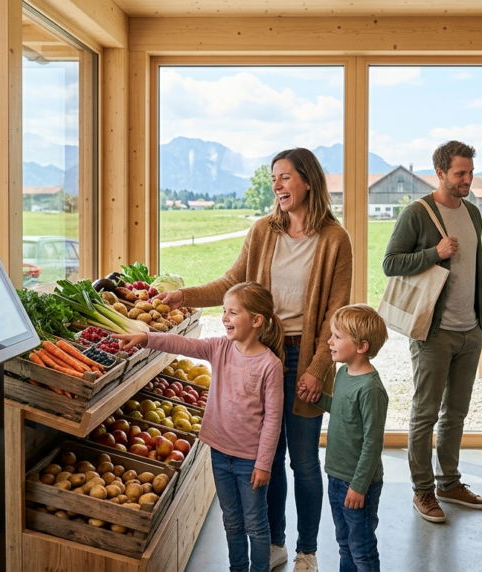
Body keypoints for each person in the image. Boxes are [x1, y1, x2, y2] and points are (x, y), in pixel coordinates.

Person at [155, 148, 352, 572]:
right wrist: (184, 297)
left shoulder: (336, 239)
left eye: (284, 177)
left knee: (302, 460)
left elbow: (336, 314)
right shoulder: (263, 231)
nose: (277, 185)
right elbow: (233, 283)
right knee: (269, 455)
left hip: (306, 358)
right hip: (268, 352)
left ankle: (307, 551)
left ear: (308, 182)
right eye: (274, 178)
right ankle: (276, 541)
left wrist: (319, 369)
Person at [115, 282, 284, 572]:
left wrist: (264, 464)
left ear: (256, 321)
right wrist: (146, 337)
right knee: (231, 521)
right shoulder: (220, 348)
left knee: (255, 524)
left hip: (250, 461)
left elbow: (273, 420)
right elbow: (183, 344)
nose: (225, 318)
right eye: (224, 311)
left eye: (233, 312)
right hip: (219, 453)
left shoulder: (270, 365)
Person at [382, 140, 482, 524]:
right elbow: (390, 263)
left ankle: (449, 483)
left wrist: (481, 317)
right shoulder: (418, 213)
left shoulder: (474, 213)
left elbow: (474, 267)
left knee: (456, 413)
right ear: (440, 173)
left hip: (470, 329)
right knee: (425, 413)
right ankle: (423, 492)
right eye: (460, 173)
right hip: (432, 331)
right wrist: (435, 253)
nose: (467, 179)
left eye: (470, 172)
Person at [307, 304, 389, 572]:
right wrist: (319, 399)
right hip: (336, 476)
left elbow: (372, 443)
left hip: (358, 484)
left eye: (337, 337)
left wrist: (359, 486)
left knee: (362, 551)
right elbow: (343, 410)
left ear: (361, 346)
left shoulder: (371, 389)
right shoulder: (343, 373)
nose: (330, 342)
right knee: (344, 543)